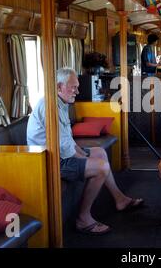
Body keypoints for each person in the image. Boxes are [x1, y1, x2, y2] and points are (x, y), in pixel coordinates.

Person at [27, 67, 143, 235]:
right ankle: (83, 218)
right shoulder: (49, 106)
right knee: (101, 167)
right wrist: (82, 157)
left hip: (60, 153)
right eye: (73, 87)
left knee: (100, 153)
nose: (78, 91)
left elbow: (67, 139)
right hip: (49, 160)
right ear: (59, 87)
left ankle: (120, 199)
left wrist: (82, 154)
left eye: (77, 86)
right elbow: (63, 148)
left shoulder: (61, 102)